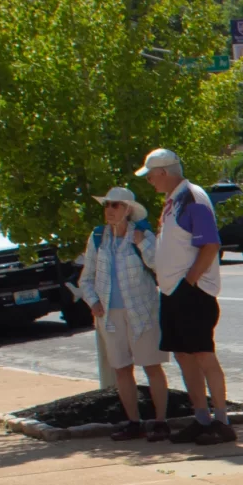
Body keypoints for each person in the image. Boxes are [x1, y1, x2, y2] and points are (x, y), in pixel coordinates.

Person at [140, 148, 234, 443]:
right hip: (171, 292)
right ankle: (201, 417)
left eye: (151, 175)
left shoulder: (192, 198)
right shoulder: (172, 201)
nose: (149, 181)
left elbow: (210, 245)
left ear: (164, 172)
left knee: (203, 354)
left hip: (191, 292)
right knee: (183, 355)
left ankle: (221, 420)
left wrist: (190, 281)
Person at [80, 186, 173, 440]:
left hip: (142, 311)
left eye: (115, 205)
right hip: (110, 315)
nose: (109, 210)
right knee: (122, 368)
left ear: (128, 210)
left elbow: (158, 265)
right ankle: (134, 421)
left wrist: (142, 243)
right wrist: (93, 302)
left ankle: (161, 421)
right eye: (107, 205)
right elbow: (86, 278)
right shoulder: (98, 237)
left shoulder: (141, 235)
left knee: (152, 366)